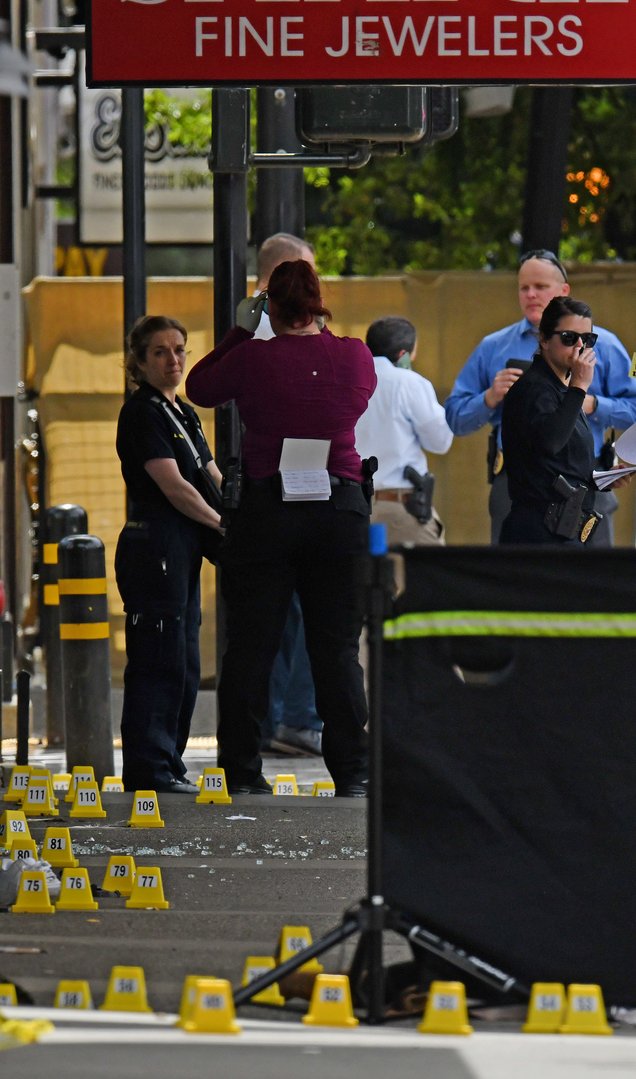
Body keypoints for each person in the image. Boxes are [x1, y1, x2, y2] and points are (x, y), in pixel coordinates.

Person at [185, 260, 375, 796]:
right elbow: (352, 391)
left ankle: (243, 772)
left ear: (269, 305)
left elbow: (199, 387)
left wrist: (242, 328)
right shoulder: (355, 355)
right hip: (339, 511)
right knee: (337, 647)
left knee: (250, 647)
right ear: (318, 301)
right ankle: (353, 772)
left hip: (266, 511)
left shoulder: (251, 358)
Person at [445, 250, 636, 546]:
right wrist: (488, 398)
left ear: (563, 291)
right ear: (544, 339)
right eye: (523, 287)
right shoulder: (494, 346)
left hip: (585, 478)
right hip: (520, 483)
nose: (530, 295)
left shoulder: (603, 345)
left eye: (540, 287)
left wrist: (592, 404)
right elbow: (454, 418)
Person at [114, 315, 222, 793]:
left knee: (184, 659)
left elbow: (210, 474)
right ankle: (149, 766)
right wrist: (223, 524)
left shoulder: (184, 412)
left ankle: (170, 761)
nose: (173, 360)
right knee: (158, 657)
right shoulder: (143, 413)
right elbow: (174, 486)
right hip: (154, 545)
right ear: (138, 361)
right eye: (159, 352)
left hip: (184, 547)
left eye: (180, 349)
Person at [252, 231, 323, 757]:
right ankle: (288, 719)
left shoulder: (268, 333)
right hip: (289, 487)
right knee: (291, 612)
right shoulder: (267, 335)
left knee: (288, 611)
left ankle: (282, 720)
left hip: (292, 485)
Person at [498, 296, 625, 545]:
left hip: (565, 531)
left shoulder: (562, 391)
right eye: (569, 338)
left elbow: (560, 466)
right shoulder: (534, 388)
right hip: (538, 535)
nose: (579, 346)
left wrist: (604, 478)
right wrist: (579, 387)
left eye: (587, 340)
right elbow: (549, 442)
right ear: (544, 339)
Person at [356, 316, 453, 546]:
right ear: (404, 355)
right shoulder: (409, 382)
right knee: (424, 579)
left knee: (363, 580)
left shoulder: (349, 381)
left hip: (354, 506)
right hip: (400, 508)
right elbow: (440, 441)